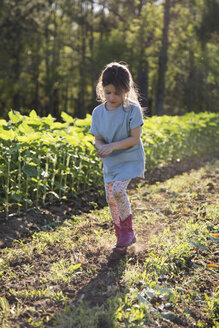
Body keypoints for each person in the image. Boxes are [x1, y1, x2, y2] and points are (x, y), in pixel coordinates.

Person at [90, 62, 145, 253]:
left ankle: (128, 232)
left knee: (119, 191)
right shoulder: (98, 113)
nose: (112, 97)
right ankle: (121, 237)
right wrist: (102, 148)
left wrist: (111, 146)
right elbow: (97, 139)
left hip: (129, 158)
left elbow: (134, 138)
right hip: (111, 161)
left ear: (127, 90)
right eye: (108, 92)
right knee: (110, 198)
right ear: (102, 89)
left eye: (117, 93)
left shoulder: (132, 109)